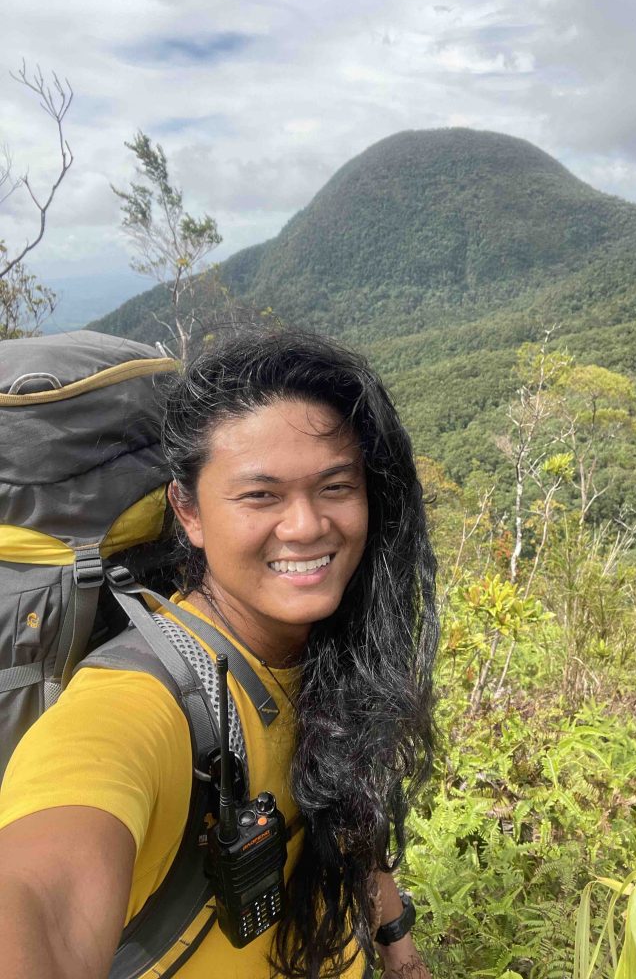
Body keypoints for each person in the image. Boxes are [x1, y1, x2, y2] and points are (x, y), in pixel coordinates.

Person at [0, 328, 438, 979]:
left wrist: (396, 940)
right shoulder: (139, 705)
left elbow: (345, 801)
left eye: (335, 488)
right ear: (189, 512)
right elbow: (39, 897)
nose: (306, 525)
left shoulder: (334, 655)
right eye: (261, 495)